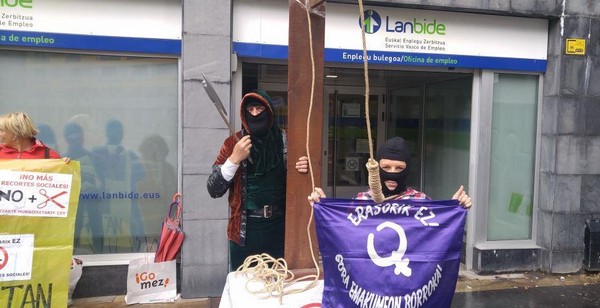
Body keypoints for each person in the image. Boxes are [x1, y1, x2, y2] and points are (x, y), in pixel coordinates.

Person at [207, 89, 308, 270]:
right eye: (251, 110)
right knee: (245, 287)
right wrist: (234, 159)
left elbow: (302, 183)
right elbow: (214, 189)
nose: (254, 114)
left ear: (269, 111)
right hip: (244, 232)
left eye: (259, 109)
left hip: (280, 229)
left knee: (277, 286)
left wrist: (302, 169)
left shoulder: (286, 140)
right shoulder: (233, 143)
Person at [308, 136, 472, 208]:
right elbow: (341, 229)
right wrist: (323, 207)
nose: (392, 173)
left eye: (399, 168)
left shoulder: (421, 201)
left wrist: (453, 209)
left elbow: (438, 232)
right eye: (386, 168)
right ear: (377, 168)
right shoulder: (361, 201)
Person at [64, 121, 105, 254]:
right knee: (76, 226)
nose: (76, 140)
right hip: (74, 200)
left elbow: (102, 180)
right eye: (72, 137)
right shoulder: (62, 160)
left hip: (92, 197)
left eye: (78, 136)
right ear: (67, 139)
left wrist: (101, 194)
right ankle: (72, 255)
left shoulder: (94, 157)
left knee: (96, 226)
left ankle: (100, 255)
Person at [0, 112, 69, 163]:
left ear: (15, 132)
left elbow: (60, 180)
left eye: (1, 130)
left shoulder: (48, 155)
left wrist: (64, 166)